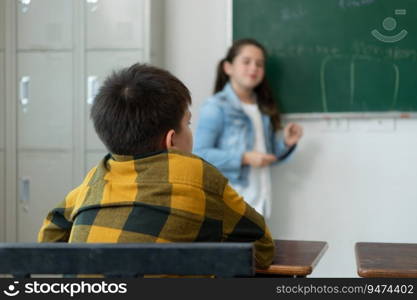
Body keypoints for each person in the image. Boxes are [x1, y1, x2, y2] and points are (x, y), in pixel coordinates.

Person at [38, 63, 274, 269]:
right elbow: (261, 247)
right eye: (188, 123)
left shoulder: (95, 178)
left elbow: (50, 235)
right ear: (171, 140)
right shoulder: (197, 174)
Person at [194, 39, 303, 218]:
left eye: (259, 64)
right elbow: (200, 154)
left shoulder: (262, 109)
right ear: (228, 67)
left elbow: (265, 156)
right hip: (231, 204)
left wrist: (285, 143)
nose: (254, 68)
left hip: (261, 200)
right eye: (246, 62)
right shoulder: (215, 106)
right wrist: (244, 158)